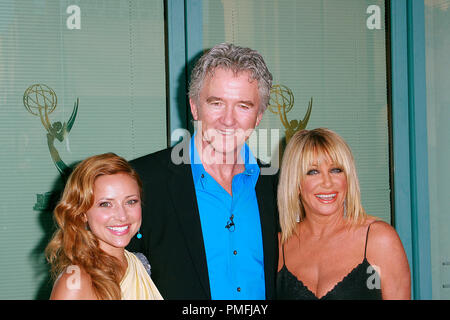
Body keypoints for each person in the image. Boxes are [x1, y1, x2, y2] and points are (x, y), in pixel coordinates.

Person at [127, 43, 279, 299]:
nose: (228, 120)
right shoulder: (143, 181)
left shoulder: (277, 185)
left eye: (244, 106)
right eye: (216, 103)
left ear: (259, 115)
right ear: (194, 106)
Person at [276, 128, 411, 300]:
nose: (327, 182)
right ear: (295, 183)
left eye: (336, 170)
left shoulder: (379, 240)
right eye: (313, 172)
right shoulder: (280, 247)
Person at [45, 153, 163, 300]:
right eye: (106, 204)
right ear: (82, 213)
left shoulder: (139, 263)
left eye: (131, 201)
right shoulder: (75, 282)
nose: (122, 216)